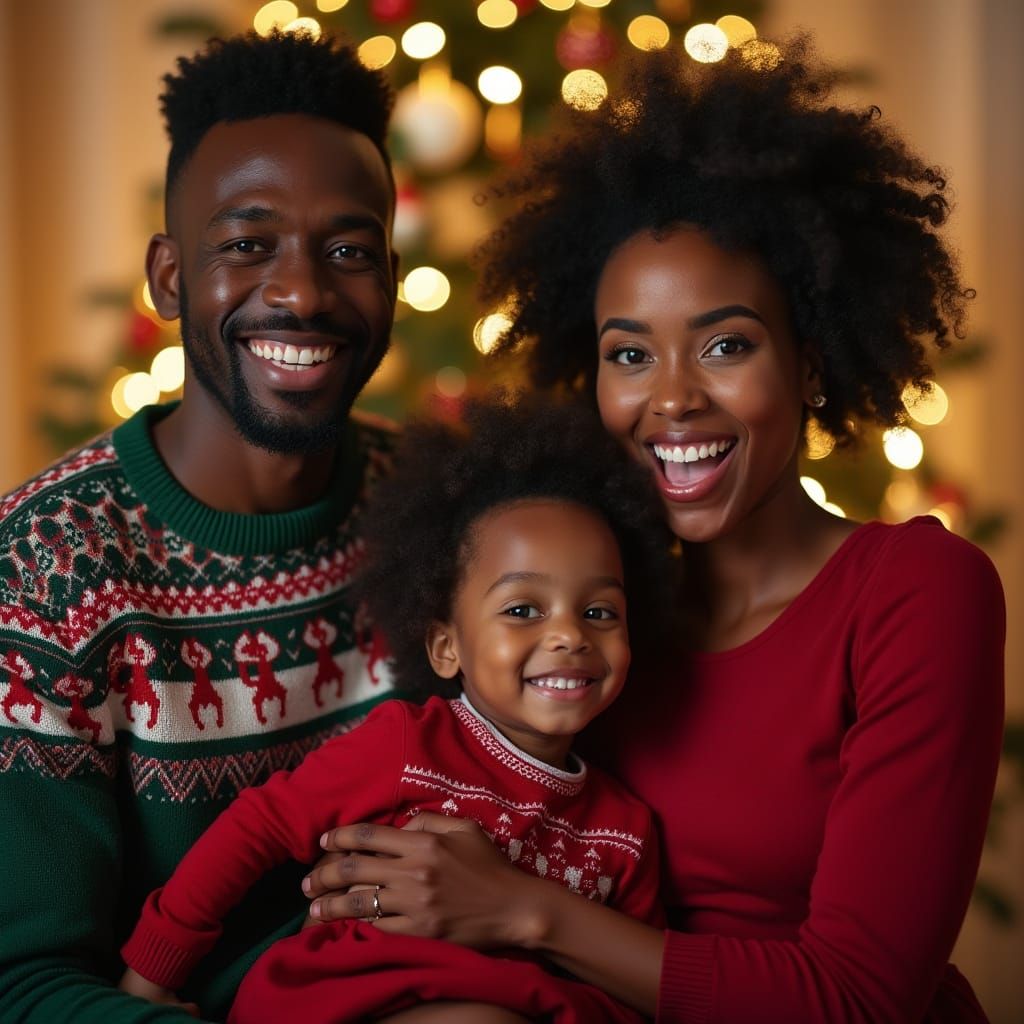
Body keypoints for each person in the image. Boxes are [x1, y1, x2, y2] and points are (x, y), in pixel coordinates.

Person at [302, 37, 1007, 1023]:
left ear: (809, 362)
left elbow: (857, 998)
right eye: (628, 353)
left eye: (725, 344)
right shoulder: (582, 612)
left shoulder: (915, 591)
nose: (670, 398)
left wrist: (526, 912)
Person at [0, 30, 402, 1023]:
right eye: (246, 244)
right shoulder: (46, 565)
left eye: (347, 251)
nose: (303, 293)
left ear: (391, 275)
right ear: (171, 277)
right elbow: (27, 981)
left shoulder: (438, 503)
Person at [117, 394, 674, 1024]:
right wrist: (151, 972)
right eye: (522, 610)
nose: (571, 635)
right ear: (445, 646)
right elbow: (261, 826)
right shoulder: (408, 746)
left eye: (600, 612)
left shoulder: (625, 832)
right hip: (346, 1003)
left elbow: (636, 993)